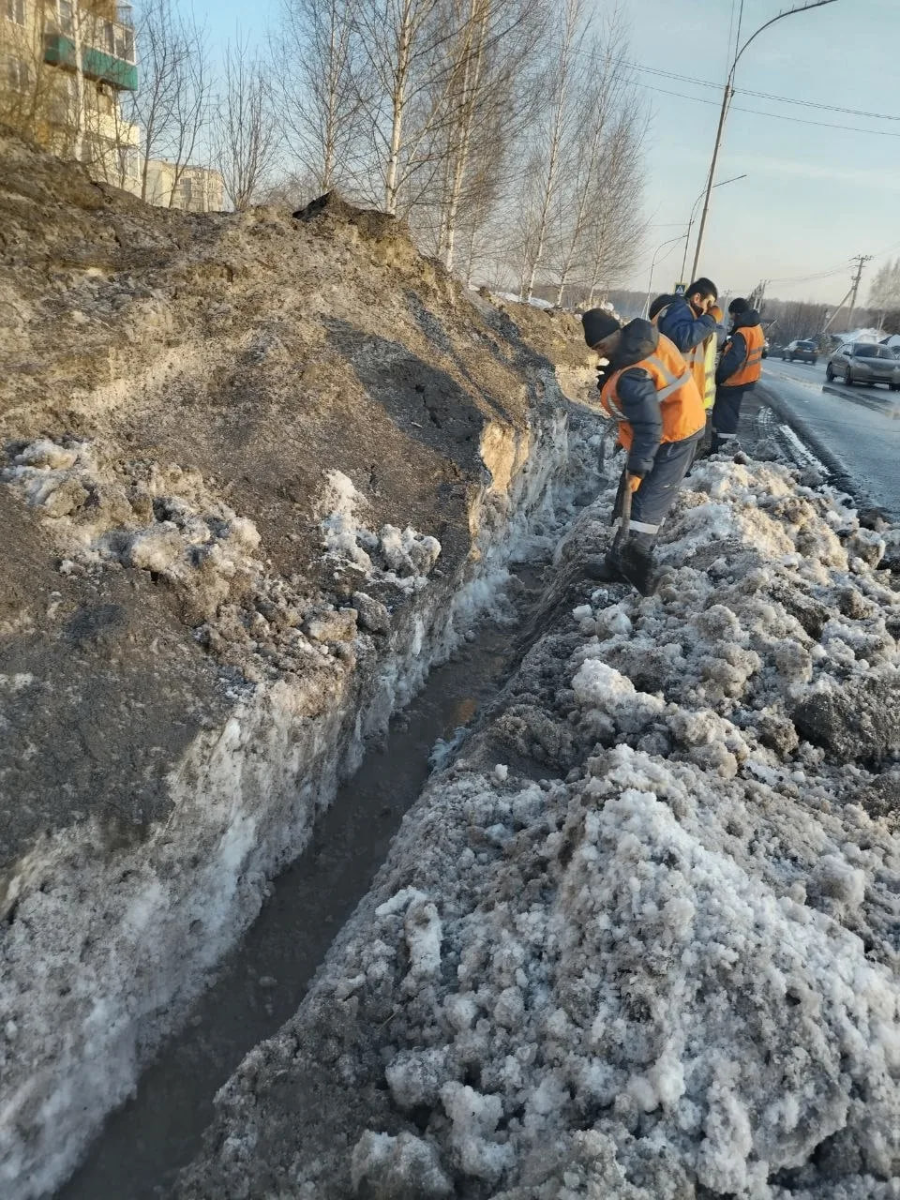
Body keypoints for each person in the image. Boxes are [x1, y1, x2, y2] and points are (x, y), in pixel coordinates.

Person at [581, 309, 707, 594]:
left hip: (677, 434)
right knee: (628, 495)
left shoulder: (632, 376)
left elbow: (650, 426)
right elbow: (643, 415)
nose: (601, 355)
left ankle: (636, 573)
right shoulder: (642, 342)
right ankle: (616, 562)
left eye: (601, 346)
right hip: (664, 427)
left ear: (616, 333)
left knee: (645, 505)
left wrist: (638, 469)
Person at [652, 278, 719, 405]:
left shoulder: (685, 315)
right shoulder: (680, 310)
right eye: (709, 303)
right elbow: (683, 340)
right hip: (671, 394)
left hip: (674, 392)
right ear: (697, 298)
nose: (709, 309)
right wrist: (710, 318)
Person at [712, 297, 764, 453]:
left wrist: (719, 377)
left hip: (735, 380)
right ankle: (719, 447)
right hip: (747, 378)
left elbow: (733, 359)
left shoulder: (742, 332)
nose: (732, 318)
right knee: (728, 414)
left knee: (725, 416)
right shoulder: (756, 328)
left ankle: (722, 449)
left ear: (737, 314)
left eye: (732, 315)